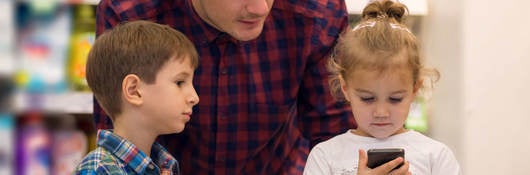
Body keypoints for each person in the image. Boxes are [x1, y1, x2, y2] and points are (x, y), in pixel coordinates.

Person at [93, 0, 356, 174]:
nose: (260, 8)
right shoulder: (130, 12)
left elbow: (334, 133)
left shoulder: (317, 11)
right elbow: (121, 138)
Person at [303, 0, 462, 175]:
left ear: (415, 89)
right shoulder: (324, 157)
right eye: (367, 98)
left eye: (395, 99)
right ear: (345, 88)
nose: (381, 112)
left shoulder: (436, 157)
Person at [75, 20, 200, 175]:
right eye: (180, 82)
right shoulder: (100, 169)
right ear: (134, 90)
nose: (194, 97)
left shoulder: (164, 164)